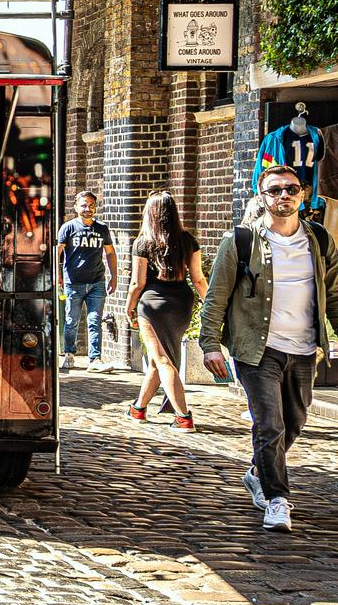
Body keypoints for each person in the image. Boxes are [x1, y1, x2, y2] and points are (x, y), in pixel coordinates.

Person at [198, 165, 338, 533]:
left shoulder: (320, 241)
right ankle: (277, 499)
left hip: (306, 348)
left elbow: (335, 295)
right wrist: (210, 344)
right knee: (269, 424)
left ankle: (258, 471)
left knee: (295, 421)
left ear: (303, 195)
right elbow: (216, 297)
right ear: (263, 197)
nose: (284, 196)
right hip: (257, 349)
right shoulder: (241, 241)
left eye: (291, 189)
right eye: (275, 190)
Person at [123, 190, 204, 434]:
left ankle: (183, 417)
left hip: (153, 305)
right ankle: (138, 408)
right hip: (181, 302)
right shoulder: (188, 240)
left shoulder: (144, 242)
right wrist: (210, 303)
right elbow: (198, 279)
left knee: (163, 360)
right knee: (159, 360)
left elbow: (137, 283)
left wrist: (129, 309)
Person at [56, 190, 120, 372]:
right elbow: (57, 252)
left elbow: (110, 253)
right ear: (76, 207)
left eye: (91, 205)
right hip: (73, 282)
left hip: (97, 282)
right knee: (71, 320)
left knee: (95, 320)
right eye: (83, 205)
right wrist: (57, 275)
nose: (87, 208)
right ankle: (69, 355)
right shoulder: (68, 228)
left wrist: (114, 276)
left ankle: (95, 359)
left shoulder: (102, 228)